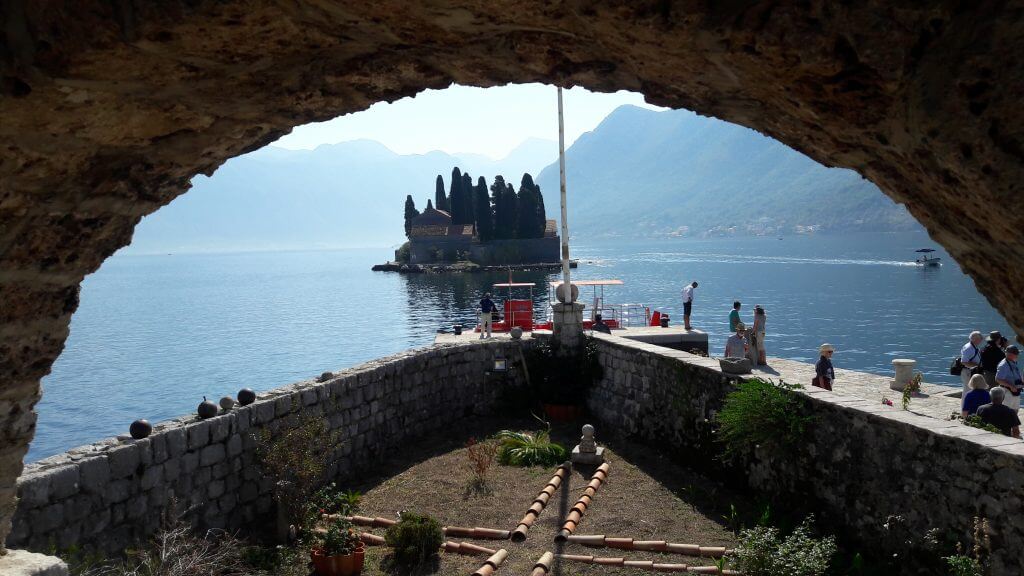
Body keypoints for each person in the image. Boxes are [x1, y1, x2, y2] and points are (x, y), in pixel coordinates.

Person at [995, 345, 1022, 412]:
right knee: (1006, 412)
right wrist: (1011, 386)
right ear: (1010, 354)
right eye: (1016, 354)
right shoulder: (1003, 365)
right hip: (1007, 392)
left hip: (1016, 391)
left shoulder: (1013, 361)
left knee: (1015, 411)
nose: (1017, 355)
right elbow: (998, 379)